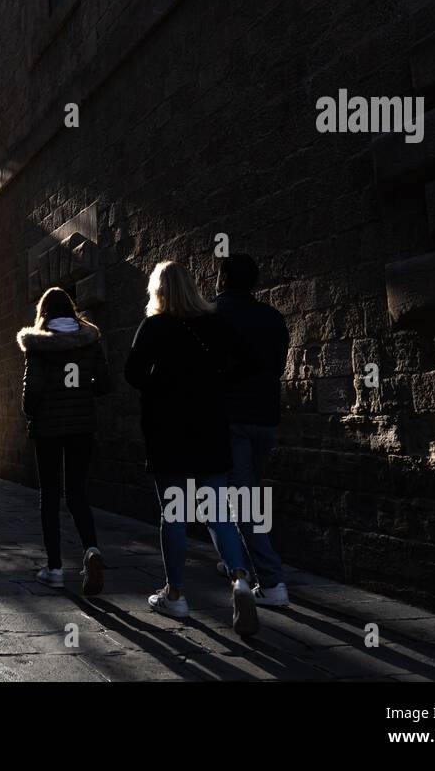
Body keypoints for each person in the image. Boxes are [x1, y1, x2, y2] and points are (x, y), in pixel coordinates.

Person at [125, 260, 261, 636]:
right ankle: (240, 579)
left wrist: (165, 385)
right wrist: (214, 383)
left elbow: (133, 375)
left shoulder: (154, 327)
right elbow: (247, 362)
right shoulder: (215, 325)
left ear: (159, 291)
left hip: (169, 431)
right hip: (210, 428)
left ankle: (175, 594)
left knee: (175, 513)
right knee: (218, 511)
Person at [18, 287, 111, 596]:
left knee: (50, 495)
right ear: (72, 310)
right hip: (82, 427)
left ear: (43, 313)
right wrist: (82, 392)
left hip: (48, 430)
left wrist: (32, 413)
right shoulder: (90, 341)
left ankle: (55, 568)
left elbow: (32, 393)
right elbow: (104, 383)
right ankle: (92, 550)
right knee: (77, 494)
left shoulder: (39, 346)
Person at [214, 253, 291, 606]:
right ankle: (233, 560)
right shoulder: (273, 319)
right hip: (265, 417)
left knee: (241, 501)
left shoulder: (211, 315)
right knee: (245, 496)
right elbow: (276, 367)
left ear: (223, 278)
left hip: (230, 418)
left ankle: (272, 583)